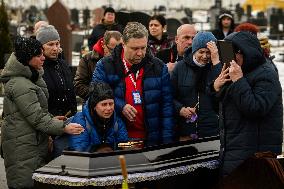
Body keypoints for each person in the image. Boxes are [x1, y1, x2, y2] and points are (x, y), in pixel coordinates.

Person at [0, 36, 84, 189]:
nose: (42, 57)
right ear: (28, 58)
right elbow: (37, 117)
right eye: (38, 55)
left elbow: (31, 113)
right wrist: (63, 127)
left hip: (31, 141)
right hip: (23, 146)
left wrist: (52, 118)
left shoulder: (30, 77)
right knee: (25, 183)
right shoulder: (21, 84)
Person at [212, 31, 283, 177]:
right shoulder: (237, 71)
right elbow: (222, 110)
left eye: (232, 54)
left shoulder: (266, 74)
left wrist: (238, 81)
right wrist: (216, 89)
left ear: (245, 52)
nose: (229, 60)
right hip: (234, 151)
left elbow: (255, 108)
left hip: (254, 157)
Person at [92, 22, 174, 147]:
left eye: (143, 47)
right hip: (117, 139)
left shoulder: (158, 67)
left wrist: (167, 141)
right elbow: (95, 95)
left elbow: (167, 106)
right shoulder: (105, 66)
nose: (140, 53)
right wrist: (121, 106)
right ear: (123, 44)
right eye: (135, 49)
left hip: (151, 139)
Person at [171, 31, 219, 141]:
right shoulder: (181, 67)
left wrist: (216, 62)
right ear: (194, 51)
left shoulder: (216, 67)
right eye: (201, 52)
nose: (205, 56)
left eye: (209, 52)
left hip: (211, 129)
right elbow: (169, 95)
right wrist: (180, 109)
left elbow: (223, 90)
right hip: (186, 129)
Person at [69, 82, 128, 152]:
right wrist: (99, 151)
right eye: (104, 104)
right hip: (89, 161)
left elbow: (124, 145)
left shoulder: (117, 121)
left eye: (111, 104)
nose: (109, 108)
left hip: (112, 160)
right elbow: (79, 150)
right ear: (94, 106)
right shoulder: (81, 121)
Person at [36, 25, 77, 117]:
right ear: (41, 47)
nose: (55, 48)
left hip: (69, 118)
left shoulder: (63, 64)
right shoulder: (37, 68)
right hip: (50, 122)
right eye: (50, 44)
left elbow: (70, 92)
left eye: (57, 44)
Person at [74, 31, 122, 101]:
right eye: (111, 50)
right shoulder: (87, 59)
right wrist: (99, 97)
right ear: (103, 44)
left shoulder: (124, 58)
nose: (115, 54)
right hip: (94, 106)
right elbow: (78, 86)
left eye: (119, 50)